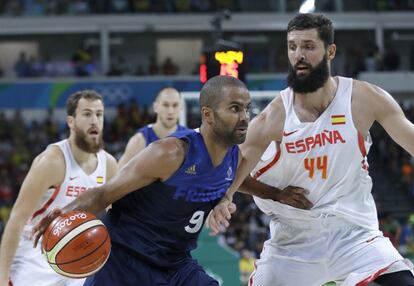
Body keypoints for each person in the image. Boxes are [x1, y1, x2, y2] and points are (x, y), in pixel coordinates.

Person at [209, 14, 414, 286]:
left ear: (330, 51)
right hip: (293, 241)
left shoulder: (363, 99)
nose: (299, 55)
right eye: (292, 47)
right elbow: (231, 174)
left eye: (308, 46)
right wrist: (231, 198)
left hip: (354, 234)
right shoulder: (274, 117)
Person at [31, 75, 253, 286]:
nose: (244, 116)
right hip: (125, 260)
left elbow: (238, 179)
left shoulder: (233, 158)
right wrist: (66, 212)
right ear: (208, 115)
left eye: (247, 108)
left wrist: (267, 194)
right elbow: (104, 193)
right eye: (235, 108)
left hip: (174, 263)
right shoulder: (167, 151)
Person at [0, 90, 118, 286]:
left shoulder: (109, 165)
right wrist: (2, 278)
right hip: (34, 261)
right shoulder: (52, 161)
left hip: (78, 258)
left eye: (99, 114)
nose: (94, 120)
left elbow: (115, 220)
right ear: (71, 121)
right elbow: (16, 220)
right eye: (87, 114)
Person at [118, 87, 187, 168]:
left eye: (175, 105)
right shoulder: (140, 140)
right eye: (165, 105)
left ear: (181, 107)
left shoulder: (189, 139)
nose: (170, 111)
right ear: (155, 107)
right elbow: (117, 175)